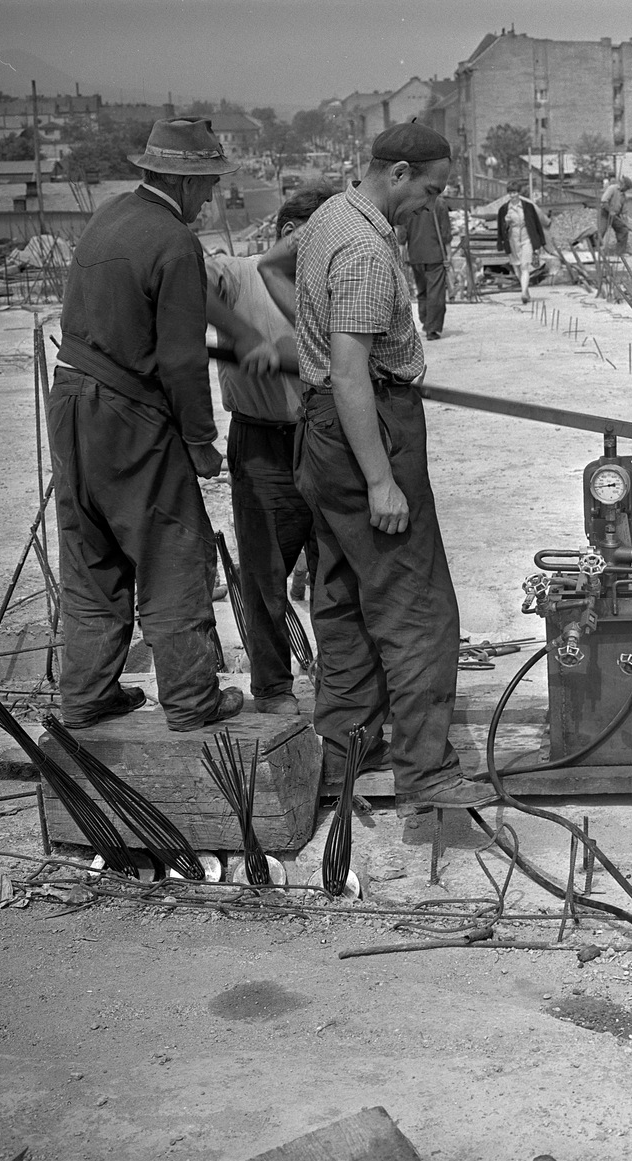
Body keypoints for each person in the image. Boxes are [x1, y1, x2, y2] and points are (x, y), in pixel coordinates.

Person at [288, 121, 491, 813]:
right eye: (429, 191)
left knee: (343, 596)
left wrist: (303, 339)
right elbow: (350, 371)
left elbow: (279, 273)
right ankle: (427, 774)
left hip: (319, 431)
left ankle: (348, 749)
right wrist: (381, 478)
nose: (429, 206)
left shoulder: (327, 216)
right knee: (418, 609)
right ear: (398, 172)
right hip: (364, 427)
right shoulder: (368, 251)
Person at [50, 117, 243, 732]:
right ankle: (191, 701)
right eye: (207, 183)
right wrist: (200, 442)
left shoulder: (108, 215)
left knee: (91, 552)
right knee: (172, 551)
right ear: (183, 181)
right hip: (126, 414)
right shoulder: (174, 241)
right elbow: (181, 359)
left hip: (71, 400)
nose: (210, 196)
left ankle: (86, 698)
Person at [203, 184, 336, 717]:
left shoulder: (330, 283)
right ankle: (275, 690)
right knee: (263, 580)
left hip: (326, 443)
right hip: (262, 447)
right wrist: (240, 336)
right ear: (287, 234)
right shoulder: (235, 275)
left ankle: (340, 690)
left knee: (336, 577)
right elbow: (179, 278)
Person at [396, 187, 452, 340]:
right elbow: (445, 232)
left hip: (415, 255)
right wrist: (449, 255)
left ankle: (425, 321)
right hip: (435, 255)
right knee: (436, 293)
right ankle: (432, 328)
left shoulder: (409, 204)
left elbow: (402, 234)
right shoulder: (439, 203)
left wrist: (402, 256)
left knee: (422, 291)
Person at [493, 178, 550, 303]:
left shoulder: (528, 207)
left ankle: (523, 293)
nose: (513, 195)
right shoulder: (504, 209)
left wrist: (539, 241)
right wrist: (506, 224)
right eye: (510, 193)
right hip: (512, 240)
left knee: (525, 265)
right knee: (517, 267)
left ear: (519, 193)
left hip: (526, 239)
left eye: (515, 192)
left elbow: (536, 224)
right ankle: (526, 289)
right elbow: (501, 229)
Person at [598, 174, 632, 256]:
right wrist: (610, 211)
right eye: (626, 187)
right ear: (623, 184)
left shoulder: (624, 197)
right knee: (601, 231)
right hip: (605, 213)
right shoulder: (612, 188)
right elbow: (604, 201)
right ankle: (596, 251)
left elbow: (624, 212)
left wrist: (626, 223)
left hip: (615, 216)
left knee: (623, 230)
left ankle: (620, 252)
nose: (626, 190)